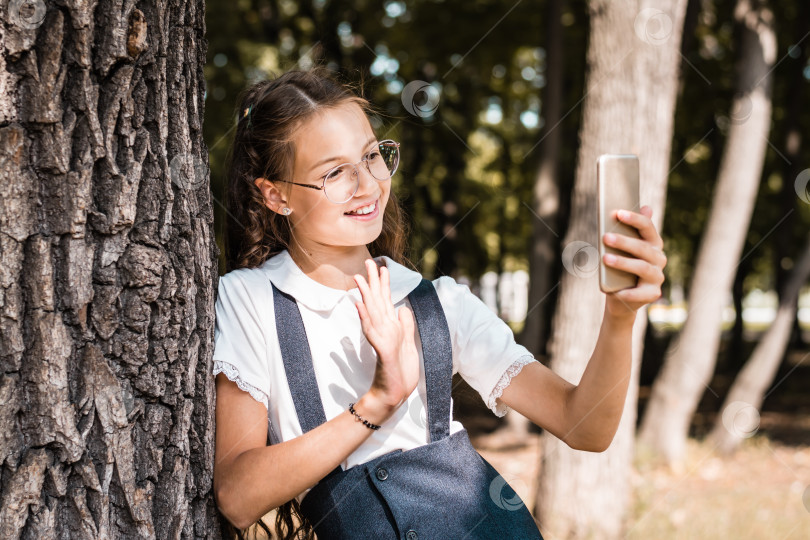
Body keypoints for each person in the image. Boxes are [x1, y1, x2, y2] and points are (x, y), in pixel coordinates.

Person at [211, 67, 667, 540]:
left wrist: (620, 316)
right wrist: (379, 401)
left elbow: (584, 427)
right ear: (276, 195)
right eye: (334, 172)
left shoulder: (439, 303)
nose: (367, 185)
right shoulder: (251, 300)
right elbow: (238, 497)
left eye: (371, 156)